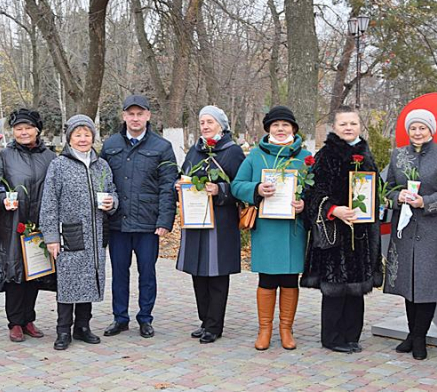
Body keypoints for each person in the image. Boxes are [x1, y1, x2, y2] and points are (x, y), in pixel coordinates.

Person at [300, 106, 382, 353]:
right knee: (335, 287)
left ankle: (351, 335)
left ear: (360, 125)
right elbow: (314, 193)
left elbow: (374, 189)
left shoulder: (366, 154)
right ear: (334, 127)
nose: (348, 128)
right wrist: (333, 209)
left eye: (353, 123)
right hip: (335, 232)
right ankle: (333, 337)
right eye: (343, 124)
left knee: (356, 287)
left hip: (361, 232)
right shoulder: (327, 155)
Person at [384, 109, 437, 360]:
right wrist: (399, 197)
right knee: (408, 282)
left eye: (422, 128)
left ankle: (420, 336)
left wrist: (424, 202)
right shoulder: (398, 155)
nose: (417, 133)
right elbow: (386, 191)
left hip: (432, 229)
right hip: (404, 229)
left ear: (431, 130)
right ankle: (411, 333)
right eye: (413, 128)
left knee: (426, 284)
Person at [232, 105, 310, 351]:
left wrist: (304, 203)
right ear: (268, 129)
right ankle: (264, 329)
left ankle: (286, 329)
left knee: (289, 279)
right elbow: (237, 185)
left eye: (285, 125)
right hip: (266, 227)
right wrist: (256, 189)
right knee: (267, 279)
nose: (280, 129)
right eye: (275, 125)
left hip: (292, 228)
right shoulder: (256, 155)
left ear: (293, 129)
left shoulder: (305, 156)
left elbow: (316, 189)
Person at [100, 95, 177, 339]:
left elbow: (168, 186)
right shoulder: (111, 144)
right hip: (118, 222)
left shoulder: (162, 147)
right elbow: (102, 181)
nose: (135, 118)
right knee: (119, 273)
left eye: (139, 114)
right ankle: (120, 317)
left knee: (147, 272)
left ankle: (145, 318)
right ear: (124, 116)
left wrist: (165, 221)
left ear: (148, 116)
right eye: (130, 114)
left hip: (147, 223)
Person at [40, 115, 118, 350]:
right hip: (70, 233)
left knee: (89, 280)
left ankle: (83, 326)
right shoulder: (59, 165)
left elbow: (112, 191)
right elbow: (49, 203)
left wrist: (111, 202)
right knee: (68, 282)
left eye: (87, 134)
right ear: (70, 139)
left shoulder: (101, 165)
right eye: (78, 134)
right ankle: (63, 330)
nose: (83, 139)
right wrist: (51, 237)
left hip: (96, 234)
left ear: (93, 137)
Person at [175, 106, 245, 344]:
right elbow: (185, 175)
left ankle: (215, 325)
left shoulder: (232, 152)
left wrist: (220, 190)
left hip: (221, 223)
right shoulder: (195, 151)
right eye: (202, 122)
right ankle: (204, 320)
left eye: (210, 122)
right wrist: (180, 187)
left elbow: (241, 186)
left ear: (221, 126)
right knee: (198, 272)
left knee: (216, 273)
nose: (205, 126)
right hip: (196, 219)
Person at [0, 108, 57, 342]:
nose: (24, 132)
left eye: (28, 128)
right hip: (13, 221)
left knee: (35, 272)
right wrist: (2, 197)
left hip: (40, 221)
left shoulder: (49, 157)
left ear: (37, 130)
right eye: (19, 129)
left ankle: (29, 319)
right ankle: (15, 322)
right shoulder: (4, 157)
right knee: (15, 272)